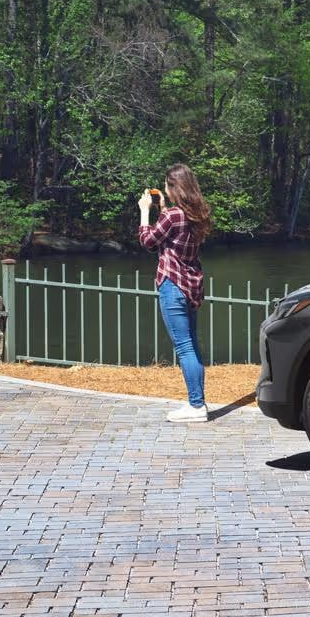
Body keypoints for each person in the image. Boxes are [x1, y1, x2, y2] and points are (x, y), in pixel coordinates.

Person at [139, 164, 214, 423]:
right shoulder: (198, 214)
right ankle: (198, 402)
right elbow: (171, 236)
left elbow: (149, 242)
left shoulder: (172, 215)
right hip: (191, 285)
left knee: (184, 348)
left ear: (174, 187)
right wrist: (161, 211)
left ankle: (196, 405)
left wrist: (144, 212)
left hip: (172, 284)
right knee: (192, 345)